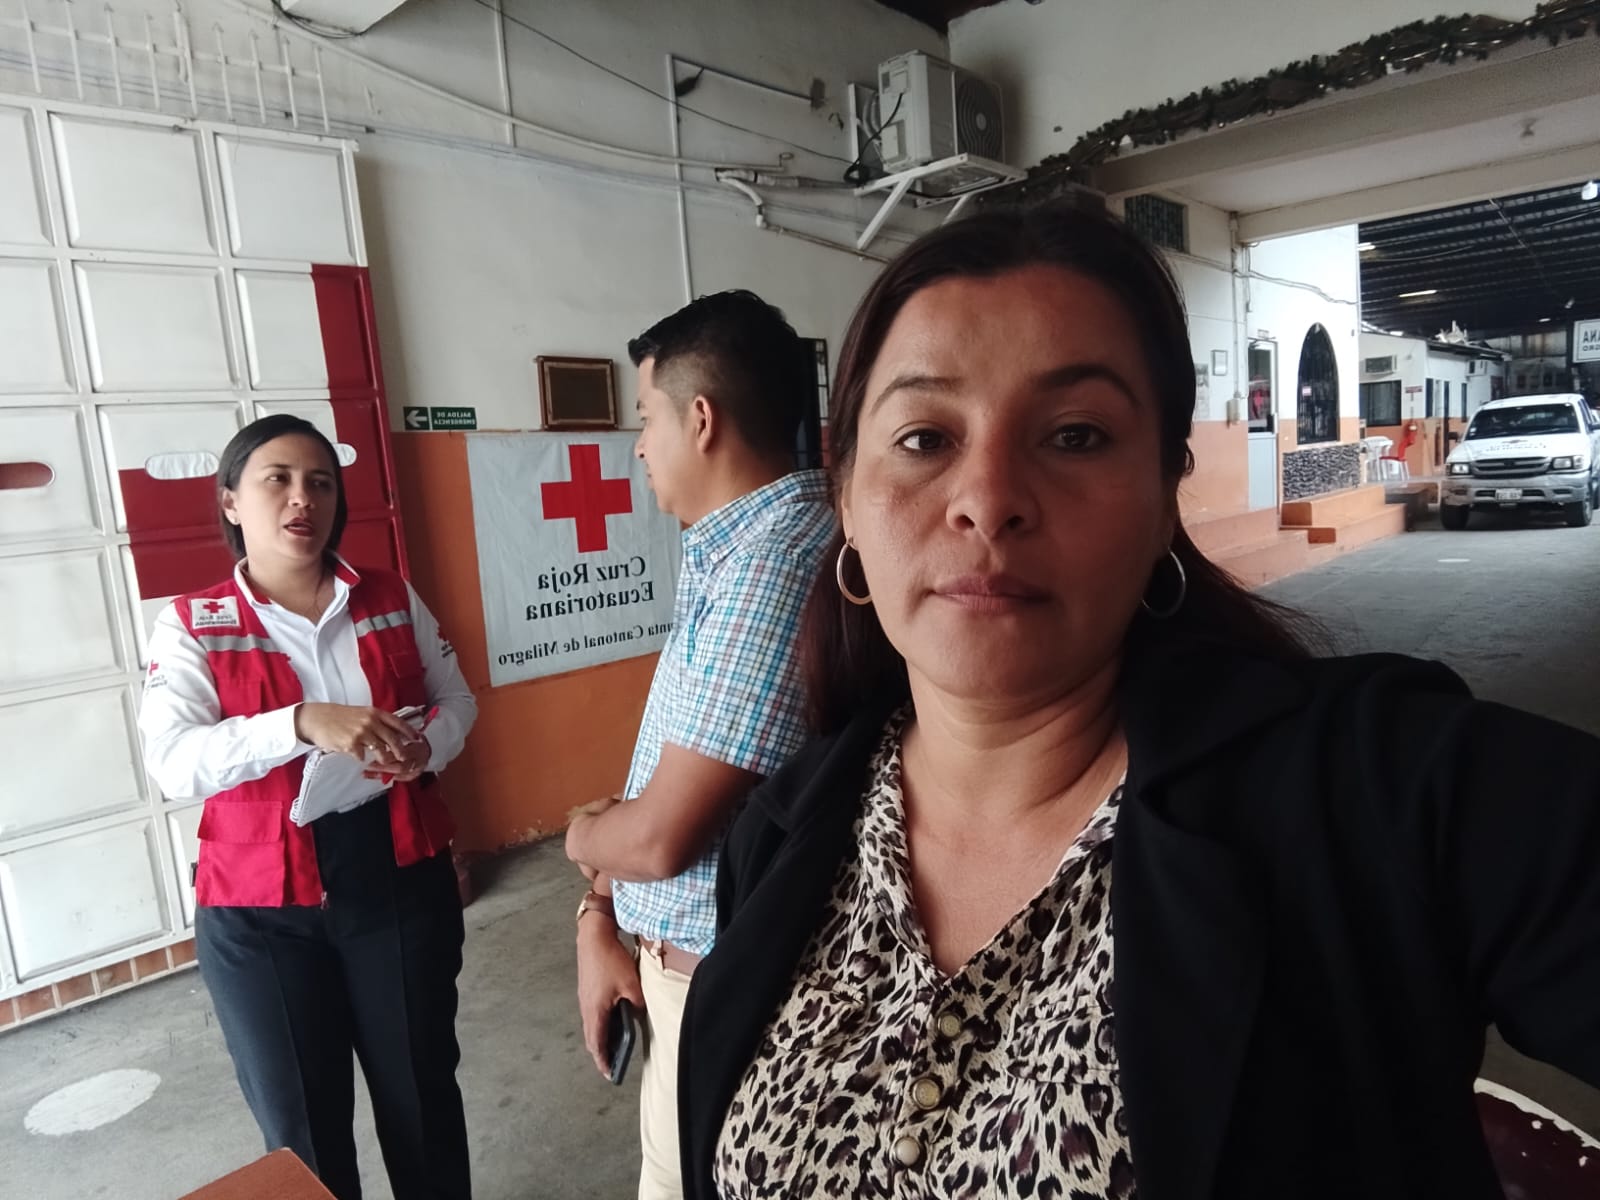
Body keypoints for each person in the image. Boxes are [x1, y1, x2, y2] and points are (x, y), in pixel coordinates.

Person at [677, 205, 1600, 1200]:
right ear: (847, 495)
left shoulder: (1376, 800)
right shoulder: (783, 836)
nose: (988, 499)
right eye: (924, 436)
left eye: (1075, 436)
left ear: (1166, 498)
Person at [139, 414, 478, 1200]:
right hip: (261, 912)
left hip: (397, 881)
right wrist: (297, 722)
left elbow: (456, 700)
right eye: (279, 480)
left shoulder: (389, 596)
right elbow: (173, 761)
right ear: (231, 502)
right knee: (302, 1132)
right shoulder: (190, 624)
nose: (303, 499)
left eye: (321, 483)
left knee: (421, 1096)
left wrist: (428, 746)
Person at [564, 290, 835, 1199]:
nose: (640, 446)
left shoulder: (773, 564)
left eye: (647, 417)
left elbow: (657, 837)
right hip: (675, 961)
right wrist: (598, 914)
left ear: (702, 420)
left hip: (720, 984)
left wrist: (582, 838)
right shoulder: (733, 552)